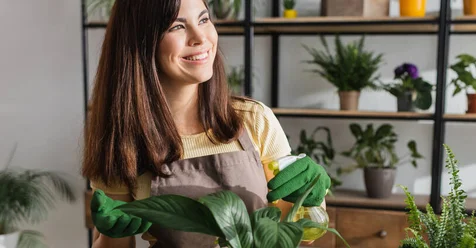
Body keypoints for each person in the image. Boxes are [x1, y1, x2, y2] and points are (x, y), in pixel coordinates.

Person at [80, 0, 330, 247]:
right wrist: (113, 233)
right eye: (177, 27)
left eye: (203, 19)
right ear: (141, 41)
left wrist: (310, 198)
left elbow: (295, 235)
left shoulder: (254, 119)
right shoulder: (123, 140)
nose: (201, 38)